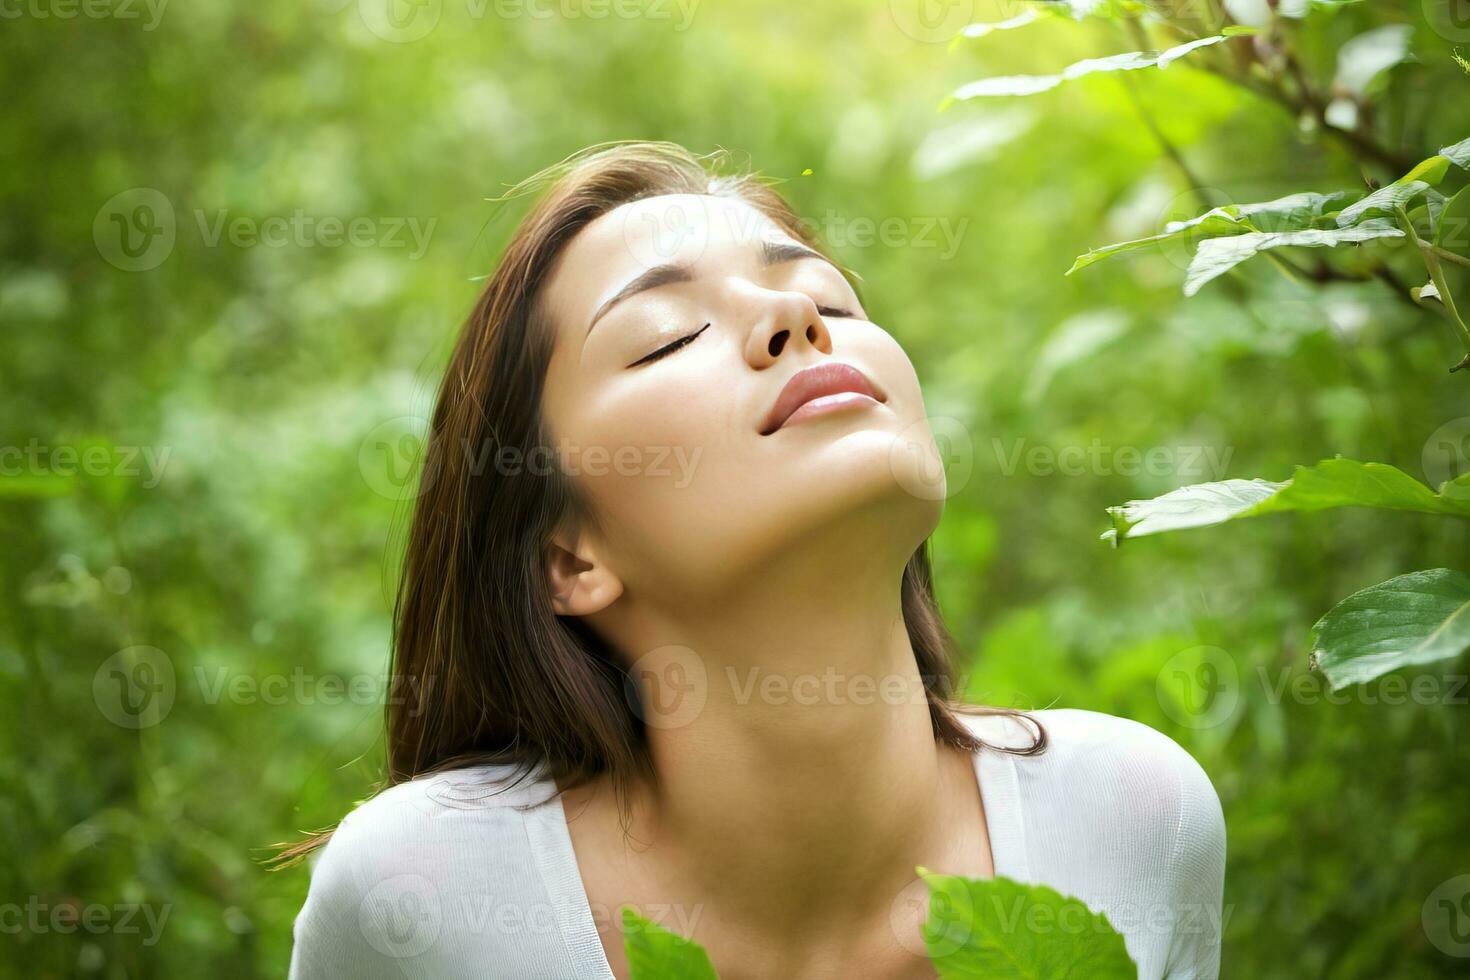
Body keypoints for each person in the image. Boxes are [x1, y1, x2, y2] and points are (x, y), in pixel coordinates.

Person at [284, 141, 1226, 979]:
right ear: (567, 559)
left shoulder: (1133, 820)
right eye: (668, 337)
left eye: (829, 300)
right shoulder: (425, 898)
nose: (793, 314)